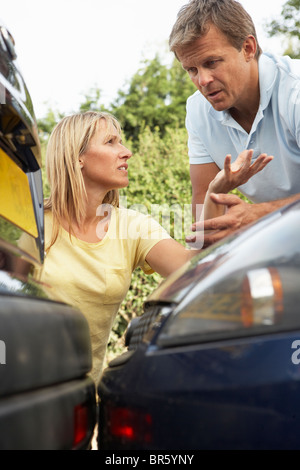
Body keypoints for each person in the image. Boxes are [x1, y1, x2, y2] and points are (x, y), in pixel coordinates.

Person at [17, 111, 269, 385]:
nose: (126, 152)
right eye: (111, 142)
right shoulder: (33, 222)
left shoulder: (132, 226)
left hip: (81, 393)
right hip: (22, 384)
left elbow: (193, 270)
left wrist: (215, 193)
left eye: (121, 142)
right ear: (77, 157)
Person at [169, 0, 300, 248]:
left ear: (248, 48)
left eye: (211, 63)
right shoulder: (198, 110)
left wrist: (259, 215)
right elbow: (203, 206)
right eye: (191, 69)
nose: (203, 80)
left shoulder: (295, 92)